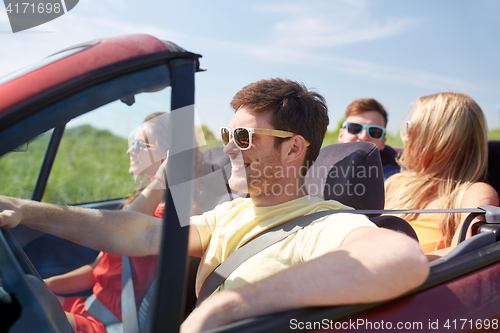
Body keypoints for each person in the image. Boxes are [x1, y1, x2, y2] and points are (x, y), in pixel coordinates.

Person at [0, 78, 429, 333]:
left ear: (294, 149)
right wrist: (29, 210)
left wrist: (226, 307)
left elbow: (402, 259)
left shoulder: (321, 223)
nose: (228, 150)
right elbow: (143, 232)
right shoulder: (233, 212)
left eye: (243, 139)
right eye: (228, 136)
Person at [44, 112, 170, 333]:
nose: (130, 150)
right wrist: (47, 285)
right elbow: (96, 270)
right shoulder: (141, 204)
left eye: (140, 144)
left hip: (112, 323)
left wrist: (164, 175)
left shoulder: (168, 219)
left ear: (168, 155)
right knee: (21, 298)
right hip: (91, 305)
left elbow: (123, 228)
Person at [385, 92, 499, 255]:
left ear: (437, 138)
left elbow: (462, 255)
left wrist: (393, 264)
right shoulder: (394, 183)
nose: (405, 137)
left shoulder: (473, 193)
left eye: (410, 127)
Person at [338, 98, 400, 180]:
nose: (364, 137)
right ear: (341, 135)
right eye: (355, 128)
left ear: (382, 142)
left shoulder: (393, 180)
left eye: (374, 132)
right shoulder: (320, 167)